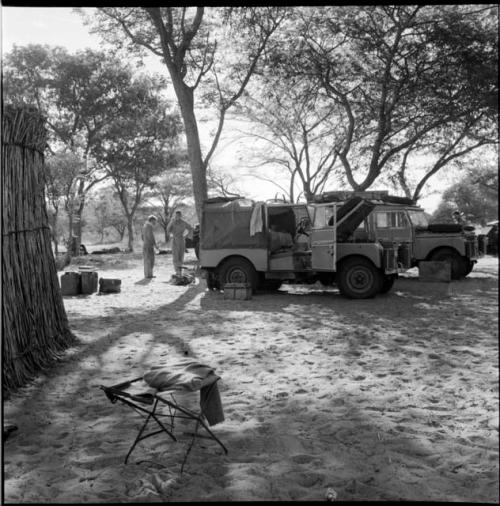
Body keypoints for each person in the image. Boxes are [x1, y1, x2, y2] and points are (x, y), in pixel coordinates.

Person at [166, 210, 193, 276]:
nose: (177, 216)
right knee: (175, 256)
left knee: (181, 256)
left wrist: (186, 236)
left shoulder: (184, 222)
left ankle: (179, 270)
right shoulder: (172, 222)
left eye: (178, 215)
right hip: (175, 240)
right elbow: (168, 230)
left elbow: (191, 228)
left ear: (180, 216)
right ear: (175, 215)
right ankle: (177, 271)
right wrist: (171, 222)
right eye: (176, 215)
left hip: (181, 239)